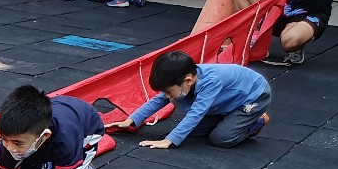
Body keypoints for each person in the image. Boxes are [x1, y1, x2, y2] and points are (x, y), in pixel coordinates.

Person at [112, 50, 271, 149]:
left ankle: (256, 121)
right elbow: (158, 100)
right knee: (193, 132)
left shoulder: (211, 81)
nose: (166, 96)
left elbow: (197, 113)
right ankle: (229, 118)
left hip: (253, 97)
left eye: (168, 91)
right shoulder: (184, 78)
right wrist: (131, 120)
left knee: (220, 139)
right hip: (229, 100)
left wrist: (169, 140)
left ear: (187, 81)